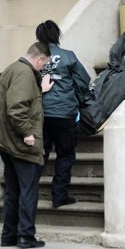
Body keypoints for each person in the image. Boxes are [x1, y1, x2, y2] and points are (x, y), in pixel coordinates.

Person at [0, 42, 53, 249]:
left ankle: (9, 236)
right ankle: (25, 236)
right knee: (28, 190)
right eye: (44, 64)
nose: (42, 67)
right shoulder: (24, 73)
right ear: (40, 59)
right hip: (20, 141)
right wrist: (28, 133)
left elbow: (17, 100)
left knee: (13, 190)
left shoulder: (13, 68)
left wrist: (40, 89)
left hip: (6, 141)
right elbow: (17, 108)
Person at [35, 20, 91, 208]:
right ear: (56, 35)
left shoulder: (36, 59)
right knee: (65, 154)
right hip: (65, 113)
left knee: (38, 155)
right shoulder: (68, 56)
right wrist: (82, 101)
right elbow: (83, 81)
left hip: (41, 114)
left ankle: (28, 195)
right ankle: (59, 196)